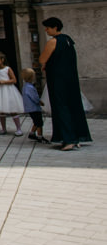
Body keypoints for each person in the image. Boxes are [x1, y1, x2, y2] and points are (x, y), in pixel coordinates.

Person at [39, 17, 92, 150]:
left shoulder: (53, 41)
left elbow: (42, 59)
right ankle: (77, 137)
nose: (46, 30)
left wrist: (46, 63)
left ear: (55, 27)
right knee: (74, 106)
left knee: (61, 107)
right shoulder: (68, 40)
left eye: (48, 28)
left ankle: (68, 139)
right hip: (71, 79)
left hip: (58, 79)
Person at [21, 68, 45, 143]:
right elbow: (34, 97)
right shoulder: (30, 87)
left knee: (36, 121)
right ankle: (40, 136)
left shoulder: (25, 86)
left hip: (30, 108)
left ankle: (32, 133)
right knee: (39, 122)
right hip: (34, 108)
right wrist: (40, 102)